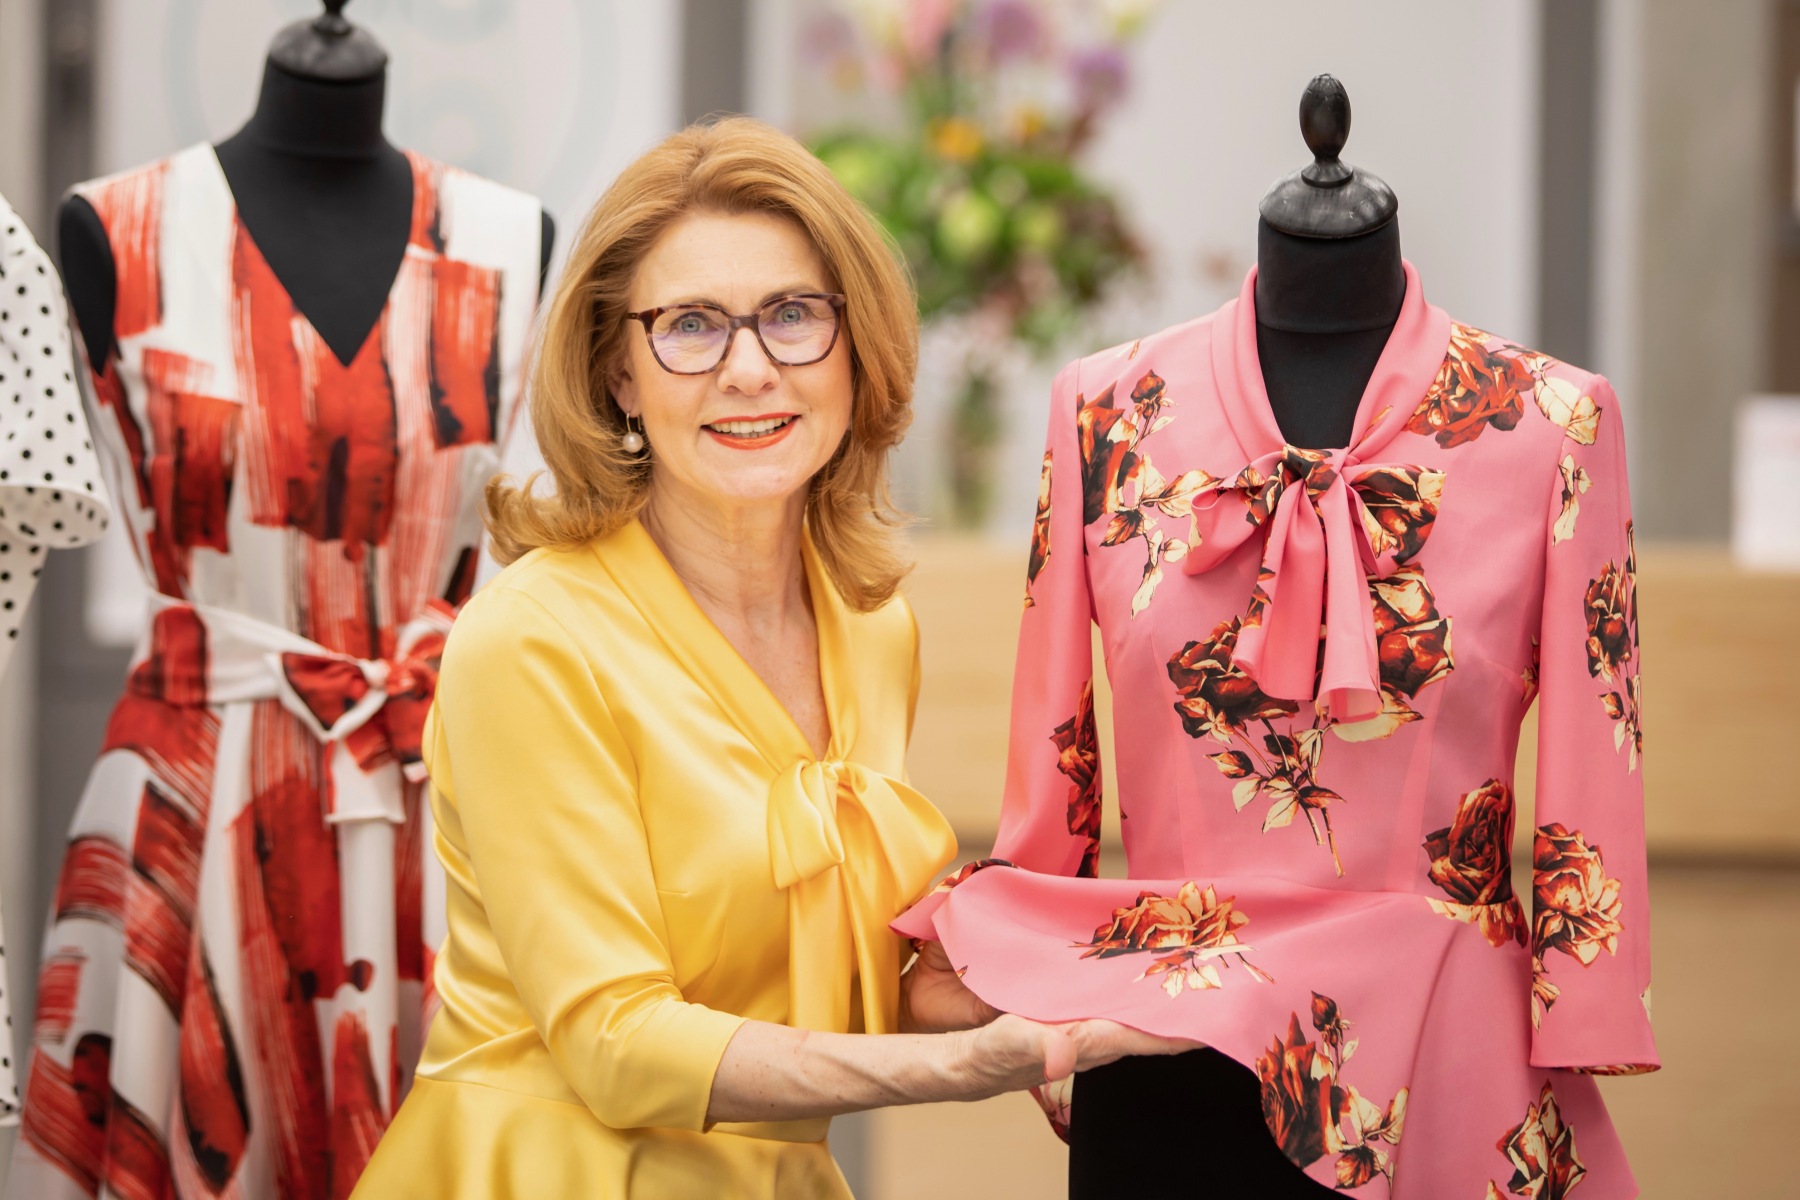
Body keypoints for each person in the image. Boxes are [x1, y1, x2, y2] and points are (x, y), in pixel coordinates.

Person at [351, 117, 1190, 1198]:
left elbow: (792, 976)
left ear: (853, 346)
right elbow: (615, 1044)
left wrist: (952, 991)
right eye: (691, 325)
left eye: (793, 314)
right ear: (617, 373)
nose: (749, 370)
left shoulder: (874, 629)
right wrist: (955, 1067)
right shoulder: (531, 639)